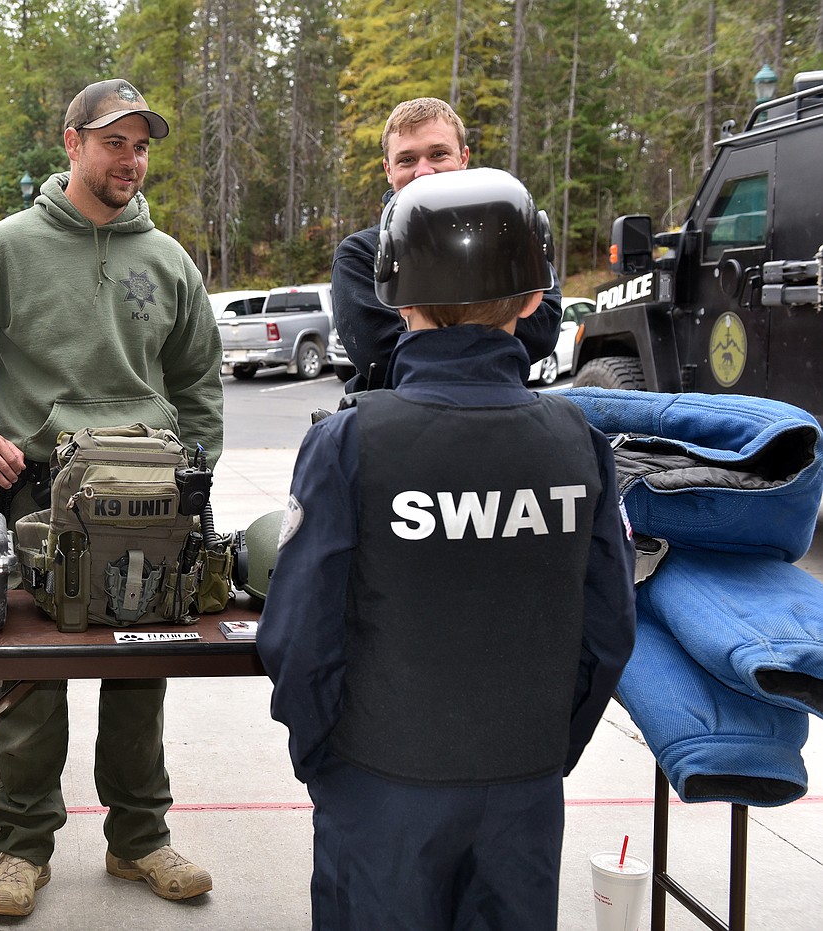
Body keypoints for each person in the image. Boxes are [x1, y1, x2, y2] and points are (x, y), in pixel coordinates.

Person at [257, 168, 636, 931]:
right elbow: (609, 630)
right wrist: (544, 752)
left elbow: (298, 635)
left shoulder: (351, 442)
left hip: (379, 782)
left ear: (396, 297)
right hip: (523, 787)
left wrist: (325, 759)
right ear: (534, 299)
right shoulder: (580, 443)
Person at [0, 78, 223, 918]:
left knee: (137, 675)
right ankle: (21, 848)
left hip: (149, 500)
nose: (132, 159)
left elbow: (198, 382)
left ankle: (139, 840)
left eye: (143, 144)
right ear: (72, 143)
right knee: (32, 682)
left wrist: (196, 474)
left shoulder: (168, 261)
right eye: (115, 141)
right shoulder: (5, 250)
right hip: (39, 495)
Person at [332, 96, 564, 393]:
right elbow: (381, 354)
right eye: (407, 159)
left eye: (438, 154)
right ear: (388, 170)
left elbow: (543, 328)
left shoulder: (507, 230)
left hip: (502, 407)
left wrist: (434, 331)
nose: (423, 171)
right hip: (397, 424)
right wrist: (492, 324)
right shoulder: (361, 253)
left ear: (463, 158)